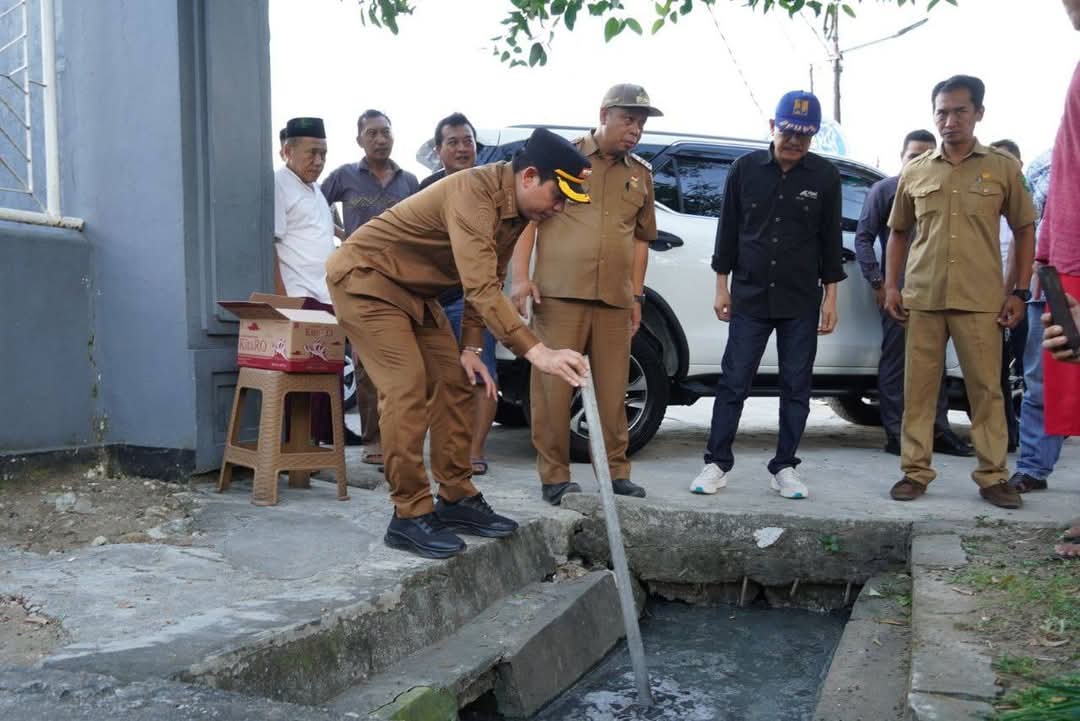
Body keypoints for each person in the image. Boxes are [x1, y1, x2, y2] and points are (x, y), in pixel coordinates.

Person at [325, 128, 592, 559]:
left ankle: (455, 497)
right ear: (528, 177)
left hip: (416, 292)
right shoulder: (474, 193)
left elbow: (486, 280)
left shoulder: (518, 212)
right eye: (558, 195)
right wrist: (537, 351)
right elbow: (482, 289)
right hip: (366, 280)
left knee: (455, 381)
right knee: (406, 388)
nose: (560, 207)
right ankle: (409, 514)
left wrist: (471, 349)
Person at [884, 75, 1036, 509]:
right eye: (942, 113)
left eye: (959, 111)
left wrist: (1018, 291)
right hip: (924, 298)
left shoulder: (1003, 168)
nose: (949, 121)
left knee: (986, 391)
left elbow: (1025, 230)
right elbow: (898, 233)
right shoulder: (916, 170)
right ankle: (915, 472)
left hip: (980, 300)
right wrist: (892, 286)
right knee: (918, 390)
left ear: (978, 113)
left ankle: (993, 476)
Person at [690, 90, 844, 500]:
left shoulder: (825, 176)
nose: (795, 142)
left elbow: (830, 242)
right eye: (788, 132)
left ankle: (785, 467)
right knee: (734, 381)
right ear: (773, 127)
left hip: (800, 300)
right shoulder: (744, 170)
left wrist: (830, 297)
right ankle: (717, 462)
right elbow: (728, 231)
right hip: (750, 296)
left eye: (804, 135)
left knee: (796, 385)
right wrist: (721, 286)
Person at [511, 84, 660, 506]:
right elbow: (530, 218)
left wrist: (636, 297)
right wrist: (520, 278)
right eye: (628, 119)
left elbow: (641, 239)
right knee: (552, 393)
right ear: (604, 114)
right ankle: (555, 477)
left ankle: (616, 473)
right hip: (559, 296)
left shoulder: (641, 174)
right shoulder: (567, 157)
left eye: (641, 123)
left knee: (614, 394)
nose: (635, 130)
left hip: (614, 301)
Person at [854, 129, 972, 458]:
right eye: (913, 156)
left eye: (927, 155)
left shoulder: (945, 189)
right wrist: (879, 283)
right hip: (901, 292)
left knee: (934, 365)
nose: (920, 162)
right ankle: (895, 433)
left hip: (941, 291)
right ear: (902, 157)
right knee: (897, 364)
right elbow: (863, 239)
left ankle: (938, 430)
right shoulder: (886, 190)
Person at [322, 110, 420, 460]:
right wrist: (339, 235)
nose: (380, 139)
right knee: (365, 364)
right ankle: (373, 441)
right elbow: (316, 203)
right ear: (359, 139)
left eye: (385, 132)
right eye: (372, 133)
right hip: (359, 280)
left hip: (401, 281)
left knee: (402, 362)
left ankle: (401, 439)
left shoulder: (409, 181)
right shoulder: (344, 176)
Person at [419, 112, 498, 475]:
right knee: (437, 379)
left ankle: (474, 452)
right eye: (453, 142)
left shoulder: (489, 187)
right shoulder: (427, 189)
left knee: (482, 373)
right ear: (439, 150)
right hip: (434, 300)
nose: (463, 148)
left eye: (468, 141)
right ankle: (441, 450)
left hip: (477, 300)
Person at [272, 117, 339, 446]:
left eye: (323, 154)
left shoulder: (316, 190)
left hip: (326, 296)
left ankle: (315, 448)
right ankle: (296, 451)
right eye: (312, 153)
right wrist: (284, 302)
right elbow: (270, 244)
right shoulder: (279, 184)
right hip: (298, 298)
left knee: (326, 378)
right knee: (301, 381)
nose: (319, 161)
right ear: (288, 151)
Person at [1008, 150, 1063, 492]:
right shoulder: (1045, 164)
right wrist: (1013, 288)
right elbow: (1024, 230)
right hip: (1050, 284)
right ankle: (1032, 468)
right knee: (1040, 381)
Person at [989, 138, 1026, 452]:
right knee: (995, 371)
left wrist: (1016, 292)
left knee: (1028, 367)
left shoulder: (1027, 202)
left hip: (1022, 297)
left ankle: (1035, 435)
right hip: (986, 300)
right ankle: (1007, 438)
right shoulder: (984, 202)